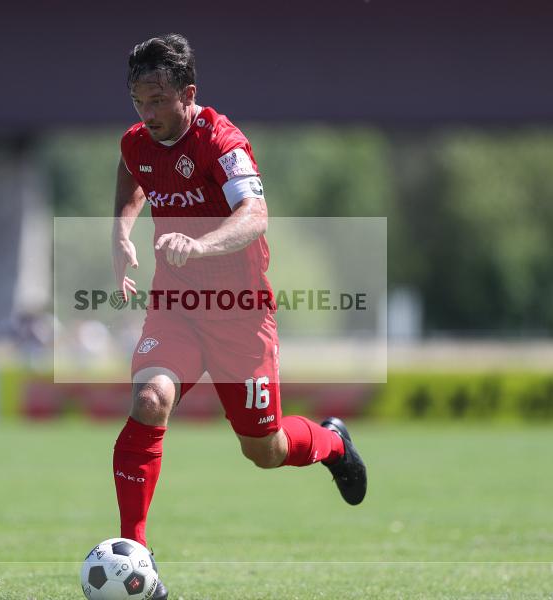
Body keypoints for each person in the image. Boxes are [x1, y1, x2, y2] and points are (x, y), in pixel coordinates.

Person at [110, 34, 366, 599]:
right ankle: (137, 559)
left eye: (157, 100)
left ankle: (332, 444)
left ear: (188, 93)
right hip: (175, 307)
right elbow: (133, 174)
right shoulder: (137, 141)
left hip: (239, 316)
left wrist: (202, 246)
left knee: (265, 450)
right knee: (149, 401)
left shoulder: (223, 143)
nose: (146, 114)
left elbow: (255, 214)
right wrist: (122, 230)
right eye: (137, 101)